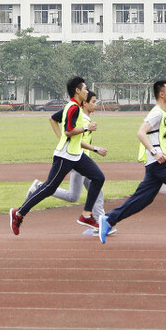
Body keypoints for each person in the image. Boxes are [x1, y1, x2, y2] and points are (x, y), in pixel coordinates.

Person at [98, 80, 166, 244]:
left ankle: (108, 220)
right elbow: (141, 133)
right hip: (158, 161)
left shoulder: (162, 114)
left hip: (154, 163)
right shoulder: (156, 113)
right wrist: (155, 152)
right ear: (162, 94)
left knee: (143, 199)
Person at [11, 77, 106, 234]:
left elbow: (62, 127)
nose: (87, 91)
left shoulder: (75, 107)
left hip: (76, 155)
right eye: (85, 89)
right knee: (49, 187)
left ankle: (86, 215)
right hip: (65, 156)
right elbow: (68, 130)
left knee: (98, 177)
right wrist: (86, 128)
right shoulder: (73, 108)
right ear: (77, 91)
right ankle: (19, 213)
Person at [41, 89, 108, 232]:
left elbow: (54, 119)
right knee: (95, 189)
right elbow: (75, 138)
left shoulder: (84, 117)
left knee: (75, 195)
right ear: (85, 103)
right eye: (94, 102)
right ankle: (101, 224)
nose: (96, 105)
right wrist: (95, 148)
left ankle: (99, 223)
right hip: (78, 160)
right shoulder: (81, 118)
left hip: (81, 160)